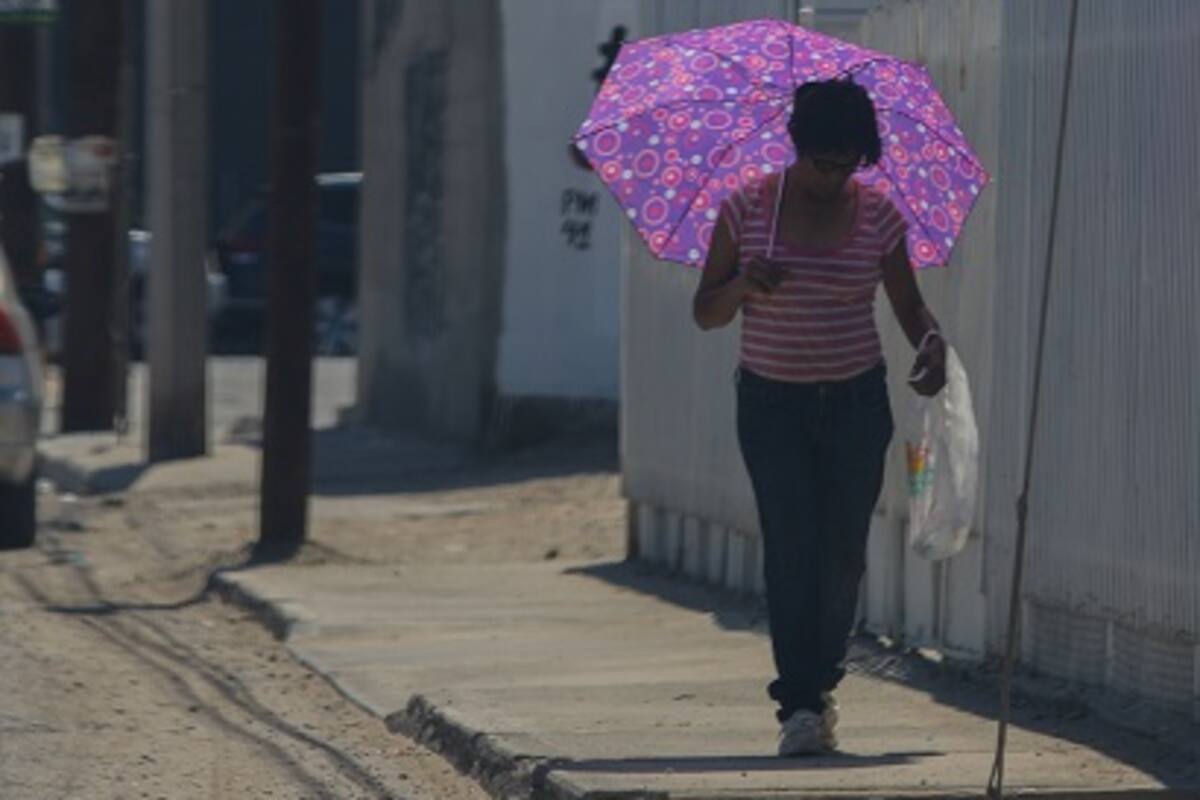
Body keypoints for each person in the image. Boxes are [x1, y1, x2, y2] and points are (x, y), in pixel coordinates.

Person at [692, 78, 947, 757]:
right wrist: (746, 283)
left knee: (840, 556)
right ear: (796, 146)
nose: (835, 177)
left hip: (857, 404)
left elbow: (907, 304)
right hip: (772, 403)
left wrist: (930, 342)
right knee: (791, 547)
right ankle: (799, 703)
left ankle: (820, 680)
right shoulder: (747, 208)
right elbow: (705, 312)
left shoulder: (877, 215)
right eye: (823, 162)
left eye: (849, 164)